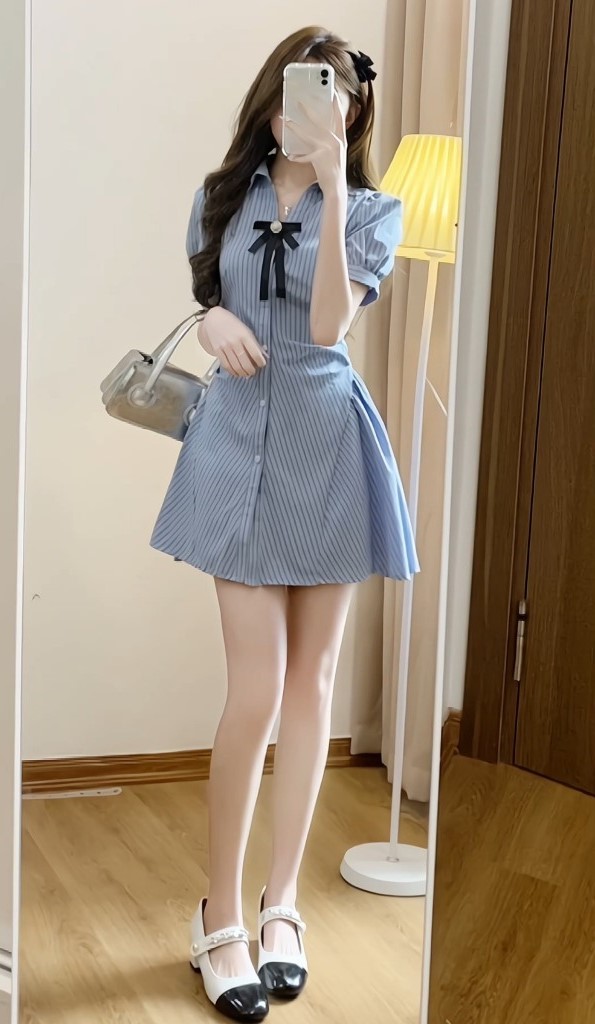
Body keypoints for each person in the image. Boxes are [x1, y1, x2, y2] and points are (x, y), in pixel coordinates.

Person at [151, 24, 419, 1023]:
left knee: (311, 685)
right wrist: (212, 319)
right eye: (292, 92)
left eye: (327, 97)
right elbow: (209, 299)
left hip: (326, 444)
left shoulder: (374, 212)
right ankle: (218, 913)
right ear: (268, 101)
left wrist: (335, 185)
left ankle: (280, 907)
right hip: (236, 448)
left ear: (350, 113)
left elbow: (328, 326)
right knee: (256, 689)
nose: (302, 110)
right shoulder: (219, 197)